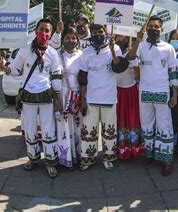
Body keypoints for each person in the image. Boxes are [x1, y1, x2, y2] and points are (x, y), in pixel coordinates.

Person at [1, 18, 62, 178]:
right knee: (29, 128)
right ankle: (33, 158)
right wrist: (5, 68)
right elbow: (15, 70)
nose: (44, 33)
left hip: (46, 94)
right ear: (36, 31)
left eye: (47, 30)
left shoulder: (52, 53)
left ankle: (50, 161)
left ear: (50, 34)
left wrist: (58, 97)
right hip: (28, 95)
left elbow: (56, 75)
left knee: (48, 129)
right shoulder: (24, 50)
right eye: (41, 29)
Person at [127, 15, 178, 176]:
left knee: (164, 125)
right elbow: (131, 62)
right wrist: (137, 40)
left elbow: (174, 72)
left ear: (162, 29)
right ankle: (150, 154)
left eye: (156, 27)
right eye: (150, 26)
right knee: (147, 125)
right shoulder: (141, 46)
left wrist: (175, 93)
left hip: (162, 92)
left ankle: (167, 160)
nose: (153, 29)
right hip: (144, 92)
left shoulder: (168, 48)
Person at [78, 24, 128, 171]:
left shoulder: (115, 49)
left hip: (109, 98)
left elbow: (118, 68)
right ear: (91, 34)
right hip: (91, 98)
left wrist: (112, 50)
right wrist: (82, 100)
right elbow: (82, 78)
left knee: (109, 131)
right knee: (89, 131)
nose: (97, 34)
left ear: (105, 33)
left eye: (100, 32)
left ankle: (108, 157)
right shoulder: (86, 52)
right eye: (94, 32)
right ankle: (88, 158)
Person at [115, 34, 145, 160]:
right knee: (119, 119)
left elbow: (138, 75)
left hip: (131, 90)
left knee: (133, 118)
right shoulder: (112, 53)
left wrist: (135, 64)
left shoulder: (133, 53)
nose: (122, 40)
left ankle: (134, 147)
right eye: (119, 37)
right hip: (117, 92)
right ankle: (121, 148)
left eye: (125, 38)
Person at [56, 27, 83, 168]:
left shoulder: (82, 55)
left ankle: (78, 156)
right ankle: (65, 158)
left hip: (77, 97)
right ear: (62, 40)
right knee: (64, 128)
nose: (70, 41)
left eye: (73, 38)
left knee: (78, 128)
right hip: (63, 95)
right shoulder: (56, 55)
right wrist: (57, 100)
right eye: (67, 38)